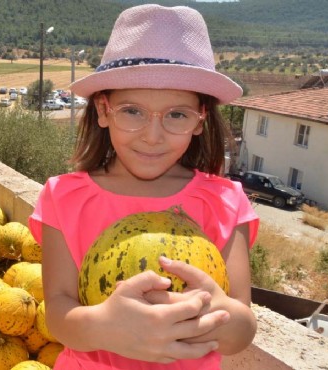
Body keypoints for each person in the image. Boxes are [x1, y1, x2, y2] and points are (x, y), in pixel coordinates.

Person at [28, 4, 259, 370]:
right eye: (132, 111)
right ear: (103, 111)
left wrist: (217, 311)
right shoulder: (64, 197)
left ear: (200, 120)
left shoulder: (224, 202)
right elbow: (58, 314)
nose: (153, 136)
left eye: (177, 115)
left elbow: (242, 330)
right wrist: (105, 327)